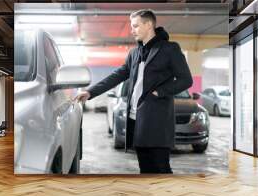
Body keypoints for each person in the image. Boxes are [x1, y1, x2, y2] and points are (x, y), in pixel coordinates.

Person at [74, 9, 193, 174]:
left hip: (157, 121)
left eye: (136, 26)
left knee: (161, 168)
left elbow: (186, 80)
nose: (132, 30)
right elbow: (117, 75)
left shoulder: (169, 49)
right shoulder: (134, 53)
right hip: (136, 120)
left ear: (149, 24)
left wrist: (159, 92)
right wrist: (90, 92)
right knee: (144, 168)